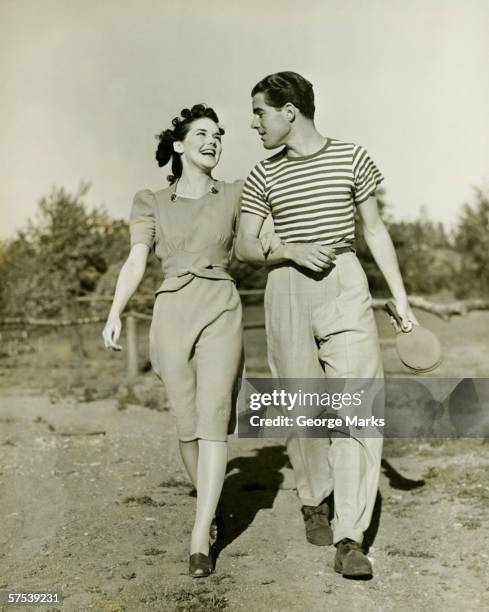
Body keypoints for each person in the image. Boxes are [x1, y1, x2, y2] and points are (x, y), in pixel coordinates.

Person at [235, 72, 418, 579]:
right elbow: (244, 246)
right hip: (286, 286)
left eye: (260, 112)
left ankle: (350, 537)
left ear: (289, 110)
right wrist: (288, 248)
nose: (254, 123)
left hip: (344, 282)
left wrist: (401, 302)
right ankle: (314, 495)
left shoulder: (351, 157)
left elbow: (375, 231)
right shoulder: (261, 175)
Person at [102, 104, 243, 578]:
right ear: (180, 145)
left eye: (218, 135)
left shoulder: (237, 194)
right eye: (202, 134)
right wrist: (115, 310)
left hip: (221, 304)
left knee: (213, 420)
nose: (213, 140)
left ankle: (200, 535)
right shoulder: (151, 201)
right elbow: (136, 261)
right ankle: (211, 504)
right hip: (170, 311)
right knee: (187, 426)